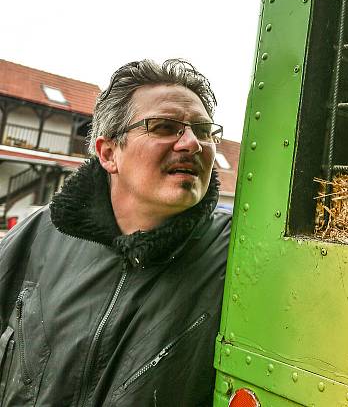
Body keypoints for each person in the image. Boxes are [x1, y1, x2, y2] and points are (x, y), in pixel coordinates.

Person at [0, 59, 231, 406]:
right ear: (108, 153)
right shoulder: (39, 234)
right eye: (165, 127)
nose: (192, 144)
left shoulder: (234, 253)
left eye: (202, 130)